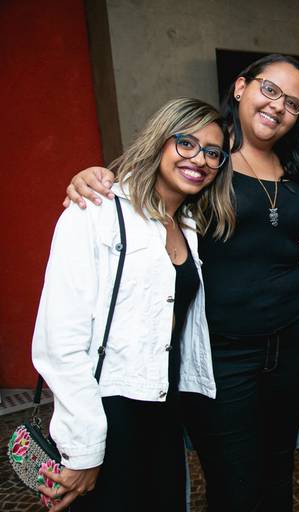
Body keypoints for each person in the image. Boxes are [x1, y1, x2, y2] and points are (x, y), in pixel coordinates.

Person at [62, 54, 299, 512]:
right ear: (241, 87)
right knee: (232, 482)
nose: (278, 106)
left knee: (277, 471)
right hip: (223, 353)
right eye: (269, 90)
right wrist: (94, 177)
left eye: (293, 103)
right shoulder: (208, 156)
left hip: (293, 341)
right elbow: (145, 187)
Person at [31, 97, 233, 511]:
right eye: (186, 143)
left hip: (164, 409)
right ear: (160, 141)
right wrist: (85, 446)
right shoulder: (96, 211)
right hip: (109, 411)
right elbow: (60, 340)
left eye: (213, 152)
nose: (200, 159)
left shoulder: (190, 224)